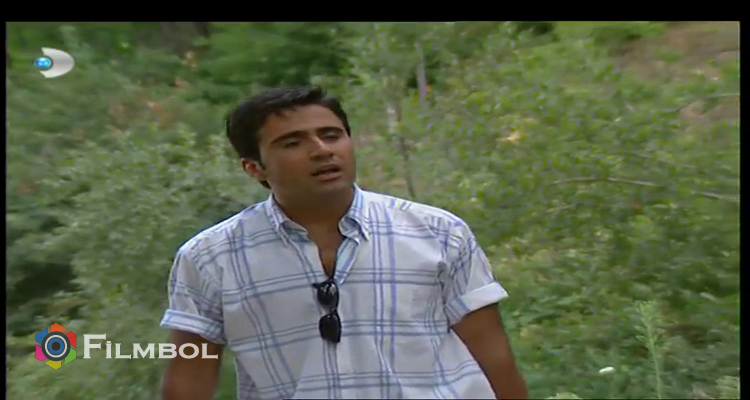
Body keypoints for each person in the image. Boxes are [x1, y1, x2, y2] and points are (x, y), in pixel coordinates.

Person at [159, 86, 528, 400]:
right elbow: (189, 377)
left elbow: (493, 357)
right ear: (254, 168)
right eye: (293, 142)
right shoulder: (209, 257)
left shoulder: (437, 232)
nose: (321, 150)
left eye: (332, 135)